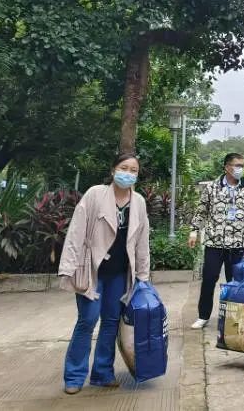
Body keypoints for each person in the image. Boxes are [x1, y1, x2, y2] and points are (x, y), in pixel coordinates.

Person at [57, 153, 151, 395]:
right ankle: (74, 376)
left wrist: (143, 276)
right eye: (124, 168)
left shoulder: (138, 202)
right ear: (113, 170)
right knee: (87, 320)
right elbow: (76, 232)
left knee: (111, 322)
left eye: (133, 170)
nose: (128, 173)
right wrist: (68, 267)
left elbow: (142, 241)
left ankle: (102, 373)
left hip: (119, 273)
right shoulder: (95, 194)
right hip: (92, 271)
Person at [188, 152, 244, 329]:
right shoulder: (212, 188)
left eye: (242, 166)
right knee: (209, 280)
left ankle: (235, 318)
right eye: (237, 165)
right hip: (214, 243)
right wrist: (194, 231)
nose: (240, 169)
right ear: (227, 167)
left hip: (237, 245)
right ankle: (203, 316)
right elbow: (201, 211)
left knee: (236, 282)